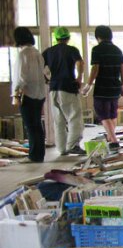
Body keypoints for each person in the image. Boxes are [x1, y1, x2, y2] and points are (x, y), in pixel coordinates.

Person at [42, 26, 85, 155]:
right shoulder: (72, 50)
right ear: (68, 38)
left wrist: (45, 78)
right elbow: (80, 63)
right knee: (74, 117)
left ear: (56, 38)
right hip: (68, 87)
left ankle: (61, 148)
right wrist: (79, 78)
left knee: (58, 120)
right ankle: (72, 145)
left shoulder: (48, 52)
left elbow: (40, 66)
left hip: (53, 88)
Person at [11, 26, 47, 162]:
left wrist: (15, 94)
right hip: (39, 94)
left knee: (31, 126)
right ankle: (39, 154)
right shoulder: (37, 53)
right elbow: (44, 73)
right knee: (37, 125)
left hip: (27, 94)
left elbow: (21, 77)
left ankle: (33, 155)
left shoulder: (23, 54)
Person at [86, 25, 123, 150]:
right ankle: (110, 137)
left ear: (98, 37)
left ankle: (114, 140)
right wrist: (122, 85)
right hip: (115, 86)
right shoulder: (117, 50)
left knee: (103, 114)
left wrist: (88, 84)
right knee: (112, 114)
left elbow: (95, 68)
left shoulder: (97, 49)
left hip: (102, 87)